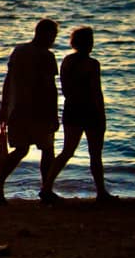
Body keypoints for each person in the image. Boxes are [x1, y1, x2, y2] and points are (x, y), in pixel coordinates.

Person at [0, 19, 61, 205]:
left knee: (21, 149)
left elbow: (8, 81)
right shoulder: (47, 56)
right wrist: (54, 115)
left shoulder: (19, 51)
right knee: (47, 150)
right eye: (53, 36)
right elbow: (50, 88)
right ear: (46, 35)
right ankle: (46, 190)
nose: (53, 40)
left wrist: (4, 107)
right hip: (39, 111)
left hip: (17, 109)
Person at [47, 27, 115, 201]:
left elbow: (65, 88)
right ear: (86, 43)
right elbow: (96, 92)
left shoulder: (67, 61)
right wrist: (101, 114)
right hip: (90, 111)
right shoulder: (92, 64)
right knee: (95, 153)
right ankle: (101, 192)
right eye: (90, 41)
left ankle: (46, 186)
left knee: (67, 151)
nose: (92, 45)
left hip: (72, 109)